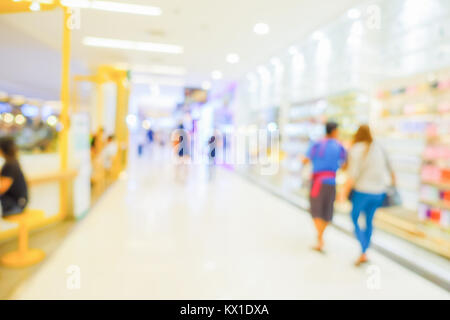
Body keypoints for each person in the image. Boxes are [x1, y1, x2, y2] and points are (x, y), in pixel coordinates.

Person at [339, 124, 396, 266]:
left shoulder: (357, 149)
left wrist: (342, 193)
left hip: (362, 192)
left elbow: (352, 174)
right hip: (379, 192)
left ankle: (363, 247)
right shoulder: (380, 148)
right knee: (369, 221)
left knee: (354, 217)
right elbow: (391, 171)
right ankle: (365, 250)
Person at [302, 121, 347, 252]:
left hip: (317, 183)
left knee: (315, 210)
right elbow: (344, 164)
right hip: (332, 183)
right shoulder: (340, 146)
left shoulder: (316, 144)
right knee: (328, 211)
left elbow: (306, 160)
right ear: (334, 131)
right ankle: (320, 237)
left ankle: (319, 238)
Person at [0, 136, 28, 217]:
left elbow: (1, 188)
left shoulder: (10, 164)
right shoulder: (12, 162)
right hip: (17, 202)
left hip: (16, 204)